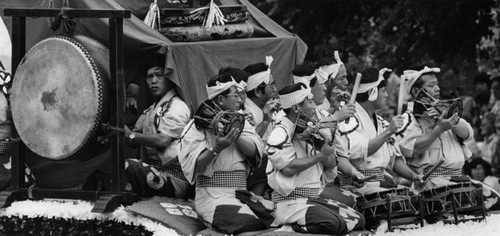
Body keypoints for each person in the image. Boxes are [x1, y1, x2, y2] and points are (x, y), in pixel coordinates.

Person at [266, 83, 365, 235]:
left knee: (358, 219)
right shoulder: (280, 132)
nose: (315, 106)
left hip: (312, 199)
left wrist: (323, 144)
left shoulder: (312, 130)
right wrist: (320, 155)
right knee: (333, 224)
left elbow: (331, 163)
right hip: (290, 203)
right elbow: (287, 168)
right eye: (310, 101)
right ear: (296, 108)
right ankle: (289, 229)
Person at [179, 74, 268, 234]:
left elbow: (255, 150)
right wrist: (217, 147)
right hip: (212, 197)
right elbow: (195, 164)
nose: (240, 100)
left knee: (276, 220)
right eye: (235, 96)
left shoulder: (241, 122)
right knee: (251, 227)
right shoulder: (195, 126)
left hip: (242, 194)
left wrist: (234, 134)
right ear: (220, 99)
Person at [337, 67, 422, 195]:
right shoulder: (348, 119)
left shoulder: (382, 122)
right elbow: (359, 152)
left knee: (417, 196)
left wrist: (413, 176)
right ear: (372, 92)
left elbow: (394, 160)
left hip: (380, 183)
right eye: (383, 91)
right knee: (404, 201)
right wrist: (389, 131)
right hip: (358, 185)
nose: (386, 95)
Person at [398, 66, 473, 190]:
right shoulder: (407, 119)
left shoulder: (444, 111)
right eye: (431, 85)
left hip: (458, 179)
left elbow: (468, 134)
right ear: (417, 91)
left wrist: (450, 119)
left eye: (437, 84)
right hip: (430, 183)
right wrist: (439, 129)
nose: (437, 89)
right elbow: (412, 150)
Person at [123, 65, 192, 198]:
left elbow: (163, 140)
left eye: (159, 76)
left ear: (169, 79)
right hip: (154, 172)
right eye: (150, 77)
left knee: (128, 166)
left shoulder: (177, 106)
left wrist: (131, 135)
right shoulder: (151, 110)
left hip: (173, 180)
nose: (154, 81)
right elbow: (133, 142)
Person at [243, 56, 279, 139]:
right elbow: (251, 144)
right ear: (257, 92)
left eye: (275, 84)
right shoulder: (246, 113)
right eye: (271, 86)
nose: (275, 89)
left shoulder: (270, 107)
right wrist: (265, 121)